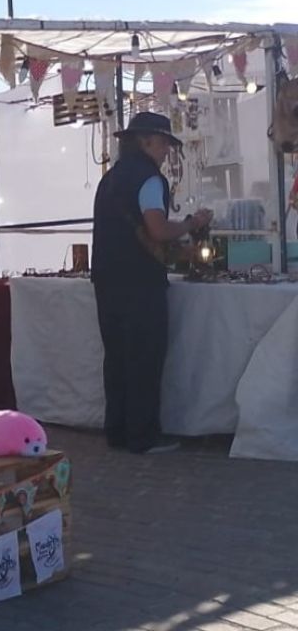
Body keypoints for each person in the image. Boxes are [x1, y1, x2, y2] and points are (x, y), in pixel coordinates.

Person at [91, 112, 212, 454]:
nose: (166, 151)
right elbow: (157, 229)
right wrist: (190, 223)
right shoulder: (149, 179)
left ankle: (117, 431)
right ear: (145, 141)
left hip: (107, 278)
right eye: (163, 143)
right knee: (143, 357)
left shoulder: (110, 179)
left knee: (116, 358)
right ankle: (142, 436)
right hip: (139, 281)